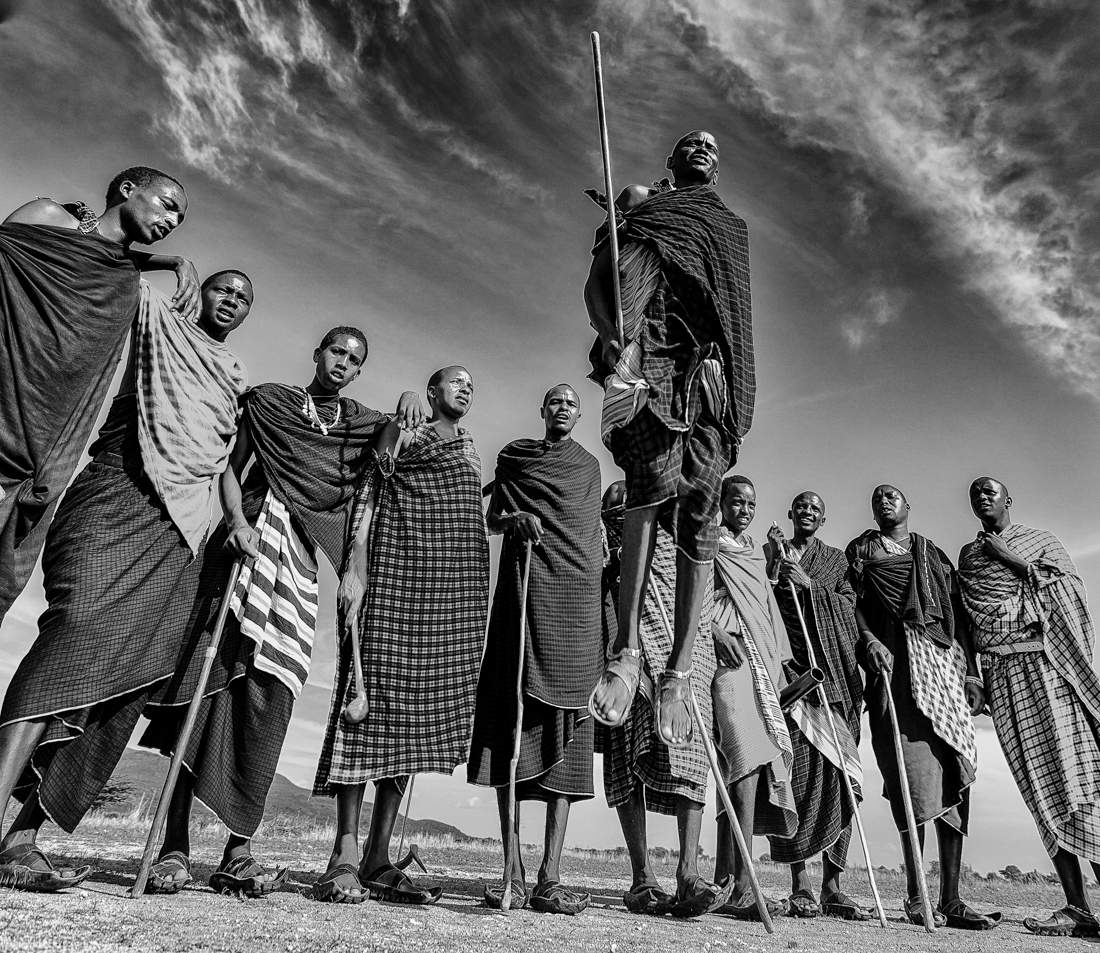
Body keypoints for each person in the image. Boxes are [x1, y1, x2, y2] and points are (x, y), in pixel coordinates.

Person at [137, 328, 423, 897]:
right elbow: (230, 467)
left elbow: (382, 462)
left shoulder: (357, 425)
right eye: (336, 351)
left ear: (359, 372)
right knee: (204, 686)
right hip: (243, 547)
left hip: (298, 565)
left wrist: (410, 398)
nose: (343, 363)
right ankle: (173, 848)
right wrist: (237, 522)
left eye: (354, 360)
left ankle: (237, 851)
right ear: (317, 353)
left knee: (269, 699)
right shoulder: (271, 402)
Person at [0, 269, 252, 891]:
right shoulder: (156, 322)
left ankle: (22, 839)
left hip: (181, 533)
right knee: (70, 635)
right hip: (114, 493)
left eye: (243, 298)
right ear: (200, 292)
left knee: (123, 682)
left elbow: (225, 461)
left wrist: (236, 521)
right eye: (223, 288)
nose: (231, 300)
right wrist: (167, 261)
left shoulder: (233, 378)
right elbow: (92, 258)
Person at [585, 131, 755, 751]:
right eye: (691, 142)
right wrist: (612, 333)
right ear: (671, 159)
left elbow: (737, 315)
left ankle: (678, 672)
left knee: (702, 512)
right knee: (650, 486)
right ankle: (627, 651)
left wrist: (733, 385)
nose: (705, 146)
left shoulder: (730, 227)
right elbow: (601, 284)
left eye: (713, 145)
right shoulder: (644, 207)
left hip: (707, 375)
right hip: (653, 356)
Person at [312, 365, 489, 904]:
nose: (466, 388)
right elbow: (370, 490)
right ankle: (343, 854)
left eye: (471, 384)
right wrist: (356, 565)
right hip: (393, 579)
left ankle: (378, 856)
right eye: (455, 381)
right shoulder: (406, 431)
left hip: (447, 599)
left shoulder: (471, 450)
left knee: (413, 718)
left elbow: (466, 523)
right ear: (432, 392)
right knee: (364, 709)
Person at [0, 167, 197, 624]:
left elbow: (111, 256)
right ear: (128, 189)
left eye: (179, 220)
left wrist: (171, 261)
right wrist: (168, 260)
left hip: (46, 442)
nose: (171, 221)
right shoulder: (48, 216)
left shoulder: (126, 278)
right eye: (167, 206)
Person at [467, 384, 602, 914]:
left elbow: (588, 540)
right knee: (510, 722)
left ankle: (550, 873)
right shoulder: (516, 459)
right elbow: (489, 520)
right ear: (542, 410)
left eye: (571, 402)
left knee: (569, 726)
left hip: (575, 605)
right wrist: (513, 521)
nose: (563, 407)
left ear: (578, 414)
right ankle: (513, 870)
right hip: (522, 594)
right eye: (555, 401)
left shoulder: (588, 468)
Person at [846, 484, 998, 930]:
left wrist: (971, 675)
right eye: (876, 497)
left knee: (954, 769)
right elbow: (849, 604)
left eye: (892, 496)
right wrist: (868, 639)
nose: (883, 501)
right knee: (906, 777)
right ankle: (917, 895)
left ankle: (952, 897)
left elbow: (957, 616)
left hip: (942, 667)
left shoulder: (932, 555)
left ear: (908, 506)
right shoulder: (863, 550)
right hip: (893, 672)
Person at [958, 477, 1100, 938]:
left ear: (1008, 500)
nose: (983, 496)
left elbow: (1069, 594)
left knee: (1077, 780)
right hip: (1002, 677)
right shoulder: (968, 557)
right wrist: (974, 676)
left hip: (1047, 667)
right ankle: (1077, 907)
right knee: (1038, 788)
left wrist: (1011, 559)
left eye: (990, 491)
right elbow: (967, 621)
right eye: (975, 493)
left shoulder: (1042, 542)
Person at [595, 481, 723, 918]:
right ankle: (642, 877)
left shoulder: (689, 521)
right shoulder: (614, 523)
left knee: (692, 749)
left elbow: (703, 584)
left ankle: (689, 873)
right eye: (615, 503)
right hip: (628, 643)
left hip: (686, 652)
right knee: (626, 750)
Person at [764, 492, 869, 919]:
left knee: (842, 779)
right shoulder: (773, 554)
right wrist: (776, 568)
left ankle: (832, 885)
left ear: (823, 519)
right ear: (791, 514)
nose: (807, 511)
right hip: (793, 682)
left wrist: (809, 586)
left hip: (835, 684)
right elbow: (760, 604)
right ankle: (800, 885)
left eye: (815, 508)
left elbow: (849, 608)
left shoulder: (836, 562)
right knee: (796, 776)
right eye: (801, 506)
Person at [709, 475, 795, 921]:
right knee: (741, 759)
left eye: (751, 504)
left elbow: (763, 602)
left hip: (758, 659)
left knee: (750, 766)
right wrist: (714, 630)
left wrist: (774, 565)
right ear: (721, 502)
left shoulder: (756, 553)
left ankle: (731, 879)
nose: (744, 510)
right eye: (737, 501)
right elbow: (690, 593)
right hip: (724, 658)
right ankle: (743, 884)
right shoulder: (707, 542)